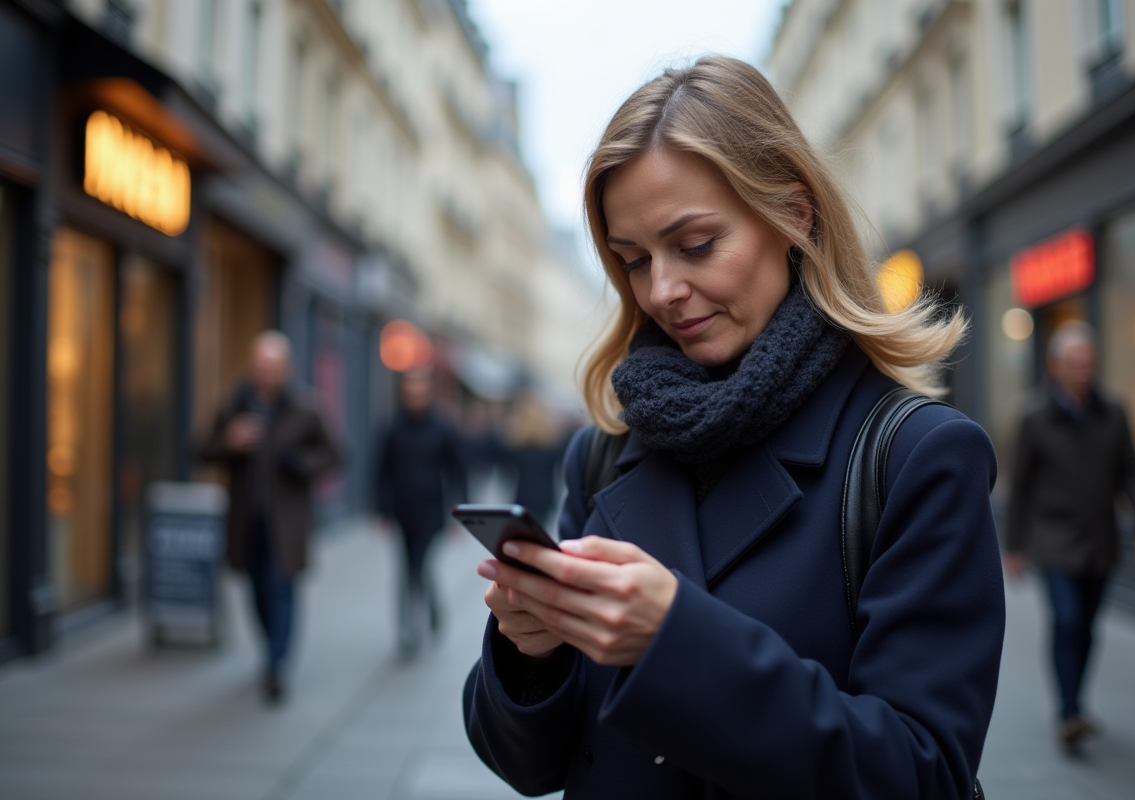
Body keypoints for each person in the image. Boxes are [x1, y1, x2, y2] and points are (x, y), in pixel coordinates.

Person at [461, 56, 1004, 799]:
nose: (662, 291)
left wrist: (674, 641)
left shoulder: (915, 456)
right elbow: (529, 765)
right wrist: (532, 653)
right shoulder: (601, 454)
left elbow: (923, 773)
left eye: (695, 245)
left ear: (793, 216)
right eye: (633, 260)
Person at [1004, 320, 1135, 749]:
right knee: (1067, 620)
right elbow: (1021, 489)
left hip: (1100, 539)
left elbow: (1132, 470)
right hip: (1053, 539)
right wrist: (1014, 547)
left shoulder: (1114, 412)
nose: (1085, 370)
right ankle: (1068, 713)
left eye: (1089, 363)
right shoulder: (1034, 418)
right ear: (1056, 367)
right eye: (1076, 363)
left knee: (1087, 627)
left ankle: (1076, 704)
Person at [200, 331, 340, 704]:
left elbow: (335, 454)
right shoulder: (235, 404)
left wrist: (301, 464)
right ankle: (271, 651)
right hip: (247, 521)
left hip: (287, 524)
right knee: (256, 592)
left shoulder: (304, 407)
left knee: (282, 589)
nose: (266, 374)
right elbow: (200, 450)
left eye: (273, 367)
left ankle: (277, 666)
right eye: (260, 366)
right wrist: (228, 442)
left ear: (286, 369)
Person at [374, 367, 467, 661]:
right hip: (402, 511)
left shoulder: (442, 427)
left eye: (419, 391)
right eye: (410, 391)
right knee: (406, 570)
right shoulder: (392, 426)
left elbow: (457, 470)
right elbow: (381, 470)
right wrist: (381, 509)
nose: (415, 396)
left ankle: (430, 613)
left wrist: (460, 511)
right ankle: (406, 630)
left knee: (421, 567)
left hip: (431, 510)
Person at [497, 392, 570, 527]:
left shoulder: (516, 445)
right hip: (546, 495)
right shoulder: (552, 443)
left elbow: (503, 466)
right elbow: (563, 467)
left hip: (523, 494)